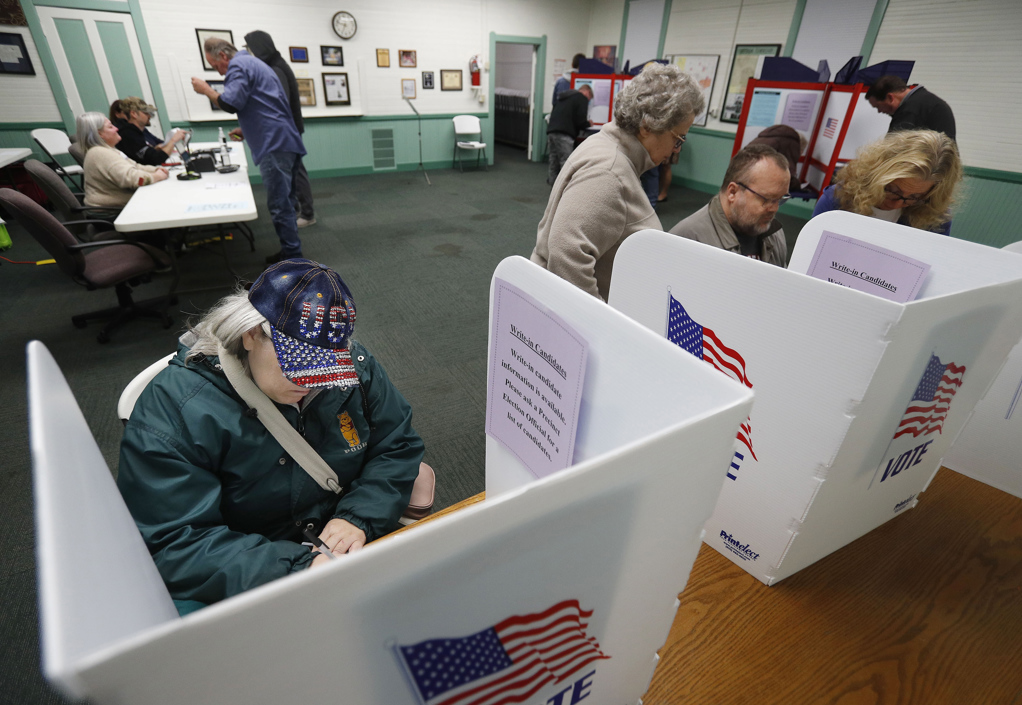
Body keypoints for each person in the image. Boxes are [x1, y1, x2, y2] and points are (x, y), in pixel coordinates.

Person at [117, 258, 425, 613]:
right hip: (247, 572)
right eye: (300, 364)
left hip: (345, 542)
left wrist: (358, 516)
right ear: (250, 335)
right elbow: (175, 542)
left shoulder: (355, 365)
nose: (313, 382)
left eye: (327, 365)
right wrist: (297, 566)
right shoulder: (175, 410)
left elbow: (397, 444)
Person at [531, 63, 704, 301]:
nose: (677, 149)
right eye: (678, 138)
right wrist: (601, 325)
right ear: (647, 127)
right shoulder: (609, 171)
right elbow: (567, 253)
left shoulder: (608, 147)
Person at [191, 38, 307, 264]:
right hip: (285, 140)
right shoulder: (257, 65)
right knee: (287, 202)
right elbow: (264, 105)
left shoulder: (238, 65)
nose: (219, 71)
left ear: (224, 56)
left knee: (279, 205)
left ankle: (293, 259)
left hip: (273, 144)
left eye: (216, 66)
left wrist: (207, 90)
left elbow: (231, 103)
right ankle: (291, 252)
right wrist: (247, 129)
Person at [812, 129, 962, 235]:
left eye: (914, 197)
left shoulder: (934, 215)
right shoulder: (838, 199)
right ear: (877, 176)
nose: (896, 204)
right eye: (893, 191)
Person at [669, 144, 790, 267]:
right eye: (767, 199)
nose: (775, 209)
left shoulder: (774, 233)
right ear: (733, 192)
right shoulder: (687, 239)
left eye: (780, 199)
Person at [244, 30, 316, 228]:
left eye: (250, 49)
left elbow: (277, 103)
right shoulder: (276, 65)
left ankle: (307, 213)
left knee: (295, 172)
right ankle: (302, 211)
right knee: (295, 171)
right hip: (288, 129)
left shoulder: (276, 69)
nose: (249, 55)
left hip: (287, 131)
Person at [76, 111, 168, 209]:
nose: (116, 128)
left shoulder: (108, 150)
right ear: (100, 134)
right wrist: (157, 176)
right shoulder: (100, 153)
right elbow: (135, 180)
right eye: (110, 127)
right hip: (113, 212)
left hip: (119, 207)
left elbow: (135, 166)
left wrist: (155, 170)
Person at [865, 75, 956, 140]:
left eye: (878, 106)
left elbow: (892, 147)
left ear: (890, 97)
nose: (879, 111)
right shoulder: (925, 101)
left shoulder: (910, 111)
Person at [111, 96, 187, 166]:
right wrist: (173, 140)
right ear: (134, 114)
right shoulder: (127, 134)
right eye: (146, 113)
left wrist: (155, 149)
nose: (149, 116)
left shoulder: (135, 130)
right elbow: (157, 159)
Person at [546, 84, 593, 185]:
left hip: (551, 130)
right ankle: (564, 188)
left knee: (553, 160)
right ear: (587, 92)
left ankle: (553, 186)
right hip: (565, 133)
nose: (588, 101)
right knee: (566, 162)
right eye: (589, 99)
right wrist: (588, 123)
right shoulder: (582, 98)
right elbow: (580, 121)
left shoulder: (564, 96)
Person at [746, 124, 806, 192]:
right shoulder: (790, 145)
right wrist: (797, 185)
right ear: (798, 148)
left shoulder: (767, 138)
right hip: (755, 184)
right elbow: (785, 179)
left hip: (742, 177)